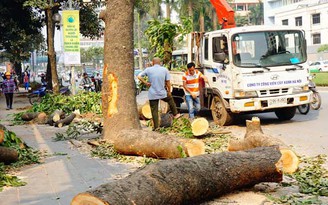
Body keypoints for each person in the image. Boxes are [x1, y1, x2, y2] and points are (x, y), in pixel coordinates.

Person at [138, 57, 181, 130]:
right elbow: (168, 82)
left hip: (152, 94)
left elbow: (139, 76)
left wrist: (145, 83)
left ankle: (156, 127)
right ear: (160, 62)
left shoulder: (148, 69)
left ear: (153, 62)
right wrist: (169, 91)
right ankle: (175, 114)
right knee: (170, 99)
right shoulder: (164, 70)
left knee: (154, 111)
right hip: (162, 93)